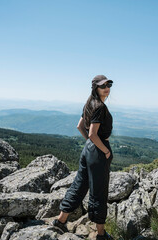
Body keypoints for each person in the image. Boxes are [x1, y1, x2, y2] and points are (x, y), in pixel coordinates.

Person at [51, 75, 114, 240]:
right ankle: (101, 234)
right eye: (103, 86)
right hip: (99, 151)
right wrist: (105, 151)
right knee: (99, 192)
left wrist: (89, 144)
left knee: (79, 185)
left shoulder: (89, 103)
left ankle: (61, 221)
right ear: (95, 88)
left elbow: (80, 126)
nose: (106, 88)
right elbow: (93, 133)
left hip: (88, 150)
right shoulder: (100, 106)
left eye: (109, 85)